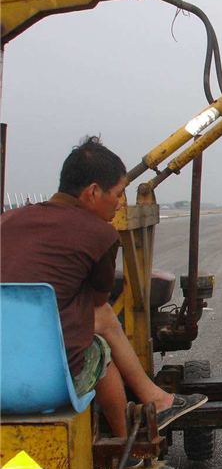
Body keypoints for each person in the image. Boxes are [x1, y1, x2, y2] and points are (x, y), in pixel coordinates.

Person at [1, 136, 207, 450]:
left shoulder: (8, 220)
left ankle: (154, 402)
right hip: (51, 382)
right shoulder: (100, 233)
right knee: (100, 346)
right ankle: (127, 445)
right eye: (118, 193)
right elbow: (98, 304)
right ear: (93, 191)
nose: (122, 203)